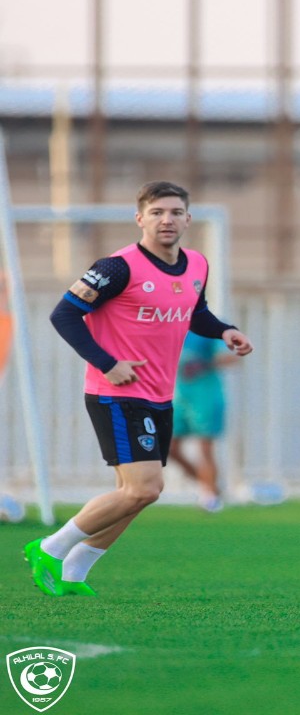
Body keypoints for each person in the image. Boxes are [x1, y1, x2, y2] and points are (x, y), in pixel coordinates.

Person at [24, 181, 253, 597]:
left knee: (138, 494)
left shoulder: (197, 264)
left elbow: (195, 312)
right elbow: (64, 315)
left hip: (160, 394)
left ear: (188, 218)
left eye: (175, 212)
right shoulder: (117, 268)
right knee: (143, 488)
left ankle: (75, 570)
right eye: (157, 212)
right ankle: (50, 548)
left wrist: (224, 330)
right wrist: (108, 364)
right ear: (140, 219)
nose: (167, 220)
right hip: (116, 393)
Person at [170, 332, 235, 513]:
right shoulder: (169, 325)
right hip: (179, 396)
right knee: (169, 447)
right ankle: (210, 485)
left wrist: (205, 364)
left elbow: (230, 357)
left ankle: (210, 496)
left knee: (205, 447)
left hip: (205, 395)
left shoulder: (208, 328)